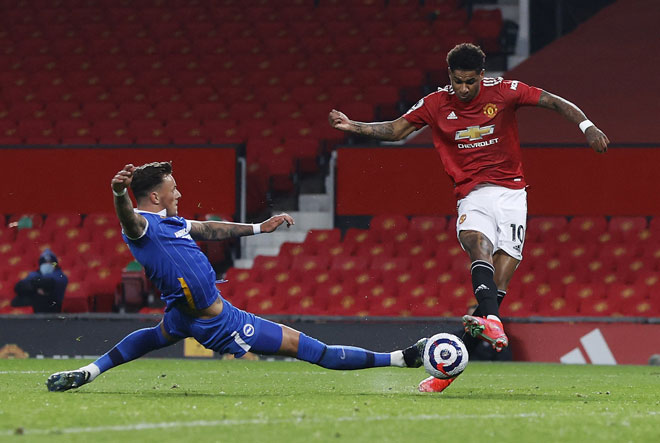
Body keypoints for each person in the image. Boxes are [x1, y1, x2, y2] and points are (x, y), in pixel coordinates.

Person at [329, 43, 610, 392]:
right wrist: (353, 125)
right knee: (477, 244)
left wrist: (587, 126)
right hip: (471, 194)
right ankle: (492, 321)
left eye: (470, 82)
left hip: (511, 194)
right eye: (458, 82)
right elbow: (398, 130)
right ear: (450, 76)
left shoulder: (505, 91)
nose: (464, 89)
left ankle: (448, 371)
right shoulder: (435, 103)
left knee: (498, 286)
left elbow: (553, 100)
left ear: (482, 75)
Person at [46, 161, 431, 392]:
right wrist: (118, 196)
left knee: (153, 337)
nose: (179, 192)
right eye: (173, 188)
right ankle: (401, 359)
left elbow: (211, 229)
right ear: (156, 197)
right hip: (219, 322)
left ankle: (88, 371)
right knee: (314, 351)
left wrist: (260, 228)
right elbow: (128, 218)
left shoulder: (172, 221)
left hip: (185, 313)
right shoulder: (142, 225)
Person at [12, 248, 68, 313]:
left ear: (55, 264)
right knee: (17, 300)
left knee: (42, 298)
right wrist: (36, 287)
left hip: (52, 306)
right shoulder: (34, 274)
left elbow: (50, 283)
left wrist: (33, 285)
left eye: (51, 263)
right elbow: (18, 286)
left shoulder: (60, 276)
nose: (47, 264)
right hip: (34, 303)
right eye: (44, 262)